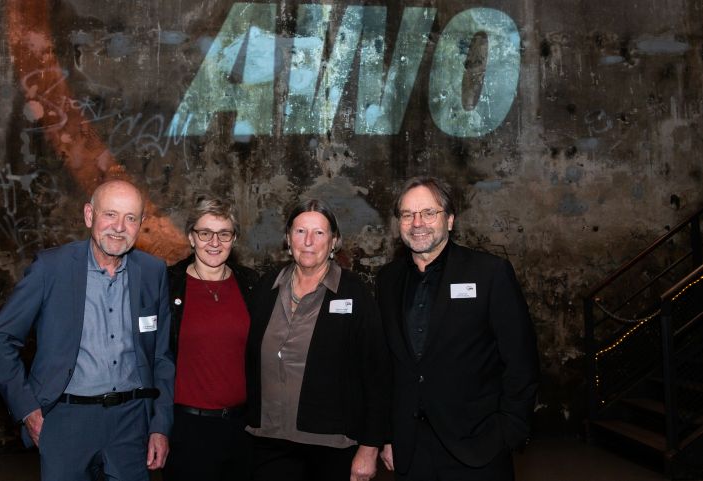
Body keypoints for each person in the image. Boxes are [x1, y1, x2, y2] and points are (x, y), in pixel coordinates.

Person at [0, 179, 175, 481]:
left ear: (141, 224)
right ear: (89, 215)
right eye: (110, 214)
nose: (119, 227)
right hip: (65, 422)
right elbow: (0, 340)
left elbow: (162, 357)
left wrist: (160, 425)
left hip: (131, 423)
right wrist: (28, 410)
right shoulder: (51, 269)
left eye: (130, 218)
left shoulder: (153, 272)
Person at [376, 176, 539, 481]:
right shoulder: (387, 280)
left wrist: (509, 432)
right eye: (408, 214)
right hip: (410, 451)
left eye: (428, 212)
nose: (417, 223)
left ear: (449, 220)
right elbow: (387, 367)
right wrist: (387, 435)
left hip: (478, 448)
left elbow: (521, 361)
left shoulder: (489, 273)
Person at [245, 199, 390, 481]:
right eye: (300, 232)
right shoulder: (266, 287)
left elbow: (377, 374)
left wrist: (370, 447)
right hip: (269, 440)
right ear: (288, 239)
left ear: (334, 241)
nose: (308, 241)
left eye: (319, 233)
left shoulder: (354, 293)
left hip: (332, 445)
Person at [163, 195, 258, 481]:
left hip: (243, 428)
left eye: (224, 233)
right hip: (187, 429)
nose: (214, 242)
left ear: (234, 239)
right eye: (205, 233)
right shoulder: (168, 285)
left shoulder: (251, 284)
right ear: (191, 237)